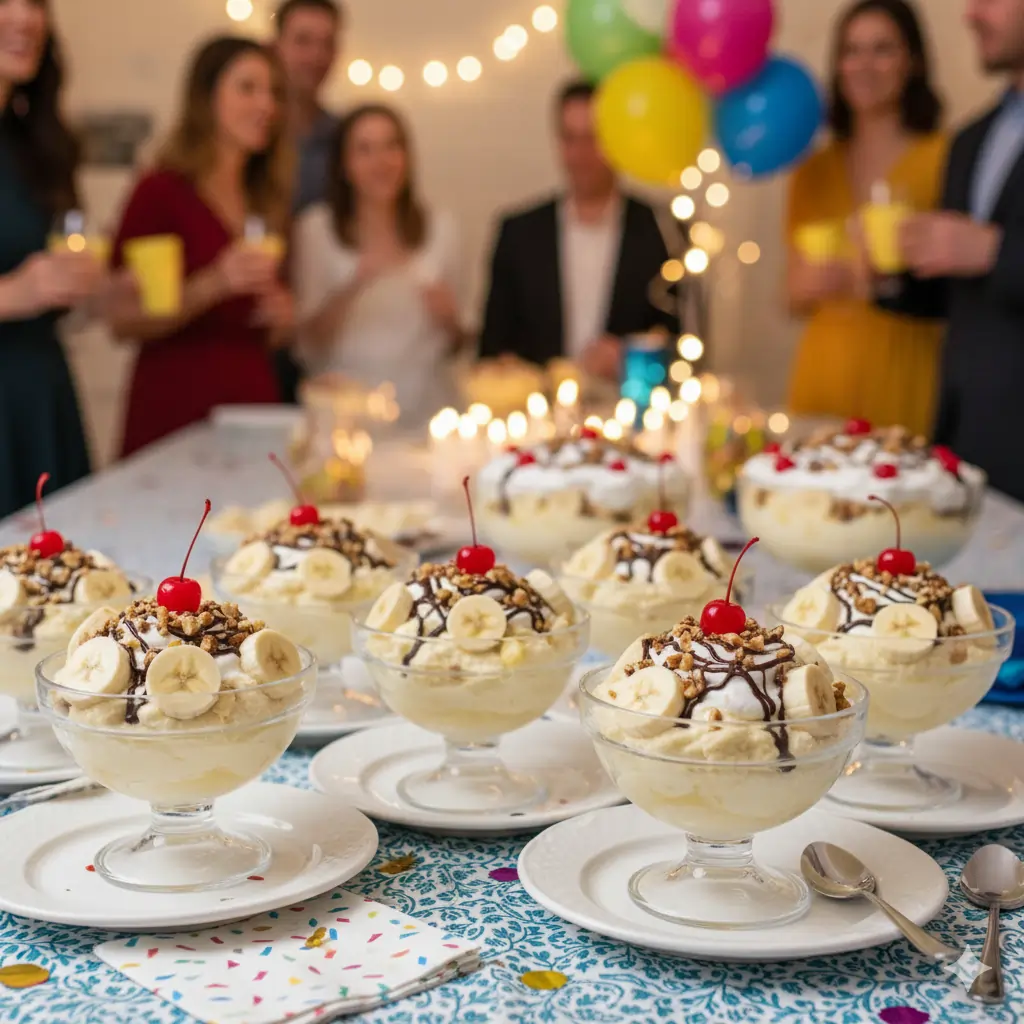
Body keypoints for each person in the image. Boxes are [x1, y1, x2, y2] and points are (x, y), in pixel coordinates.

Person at [108, 36, 294, 457]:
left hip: (253, 408)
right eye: (248, 88)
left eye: (274, 92)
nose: (267, 105)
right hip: (176, 409)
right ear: (206, 97)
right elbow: (122, 321)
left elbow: (267, 327)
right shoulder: (160, 191)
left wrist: (281, 315)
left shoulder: (264, 197)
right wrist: (215, 282)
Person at [785, 0, 946, 437]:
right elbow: (791, 293)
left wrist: (884, 278)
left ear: (912, 61)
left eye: (882, 49)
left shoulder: (945, 157)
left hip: (907, 364)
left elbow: (955, 290)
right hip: (823, 372)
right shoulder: (813, 168)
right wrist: (812, 283)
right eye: (851, 51)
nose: (864, 65)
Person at [888, 0, 1024, 501]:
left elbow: (987, 258)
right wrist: (890, 275)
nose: (971, 14)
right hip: (966, 443)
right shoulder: (970, 138)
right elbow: (959, 297)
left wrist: (996, 251)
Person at [479, 80, 678, 381]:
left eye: (592, 138)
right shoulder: (518, 233)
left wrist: (630, 355)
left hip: (634, 413)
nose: (580, 154)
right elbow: (492, 348)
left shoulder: (664, 230)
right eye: (569, 139)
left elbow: (685, 343)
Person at [293, 104, 462, 429]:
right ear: (344, 164)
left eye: (391, 146)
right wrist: (354, 284)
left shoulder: (442, 228)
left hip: (427, 412)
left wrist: (449, 318)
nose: (381, 163)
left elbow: (459, 341)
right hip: (344, 416)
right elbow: (306, 343)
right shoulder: (316, 229)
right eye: (365, 150)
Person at [0, 0, 104, 517]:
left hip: (40, 393)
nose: (26, 17)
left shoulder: (32, 141)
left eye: (37, 2)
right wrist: (13, 294)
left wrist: (82, 287)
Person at [272, 0, 343, 403]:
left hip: (319, 335)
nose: (316, 56)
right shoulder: (249, 131)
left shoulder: (342, 140)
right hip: (249, 331)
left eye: (327, 44)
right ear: (275, 45)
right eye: (303, 41)